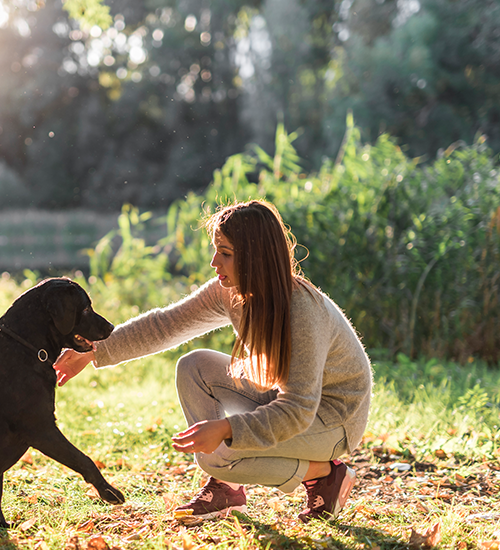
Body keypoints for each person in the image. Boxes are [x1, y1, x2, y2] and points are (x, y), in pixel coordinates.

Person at [54, 200, 372, 522]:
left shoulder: (302, 311)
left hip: (333, 419)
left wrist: (226, 428)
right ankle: (228, 488)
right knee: (193, 366)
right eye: (215, 249)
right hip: (284, 397)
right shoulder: (231, 291)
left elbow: (299, 407)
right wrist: (94, 350)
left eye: (226, 253)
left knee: (218, 455)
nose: (213, 261)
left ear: (255, 257)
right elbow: (166, 325)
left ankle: (324, 475)